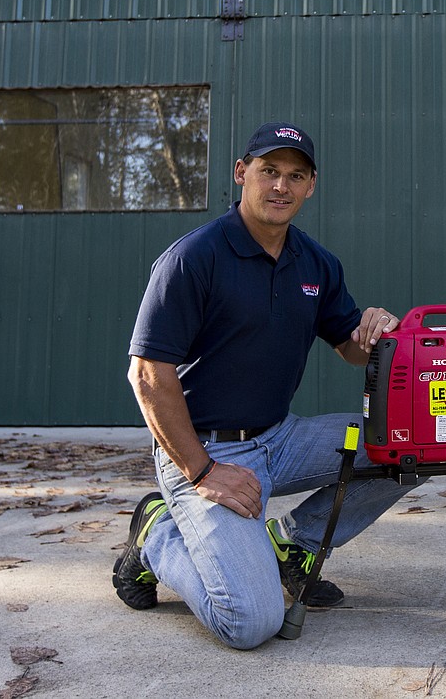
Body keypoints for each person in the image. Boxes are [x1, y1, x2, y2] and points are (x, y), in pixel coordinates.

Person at [113, 121, 416, 649]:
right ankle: (157, 534)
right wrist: (201, 470)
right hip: (204, 449)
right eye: (269, 171)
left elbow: (348, 347)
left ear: (311, 186)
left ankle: (293, 544)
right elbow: (147, 374)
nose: (281, 186)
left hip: (281, 437)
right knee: (251, 623)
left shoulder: (317, 263)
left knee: (418, 444)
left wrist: (373, 330)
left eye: (295, 176)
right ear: (241, 173)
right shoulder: (194, 258)